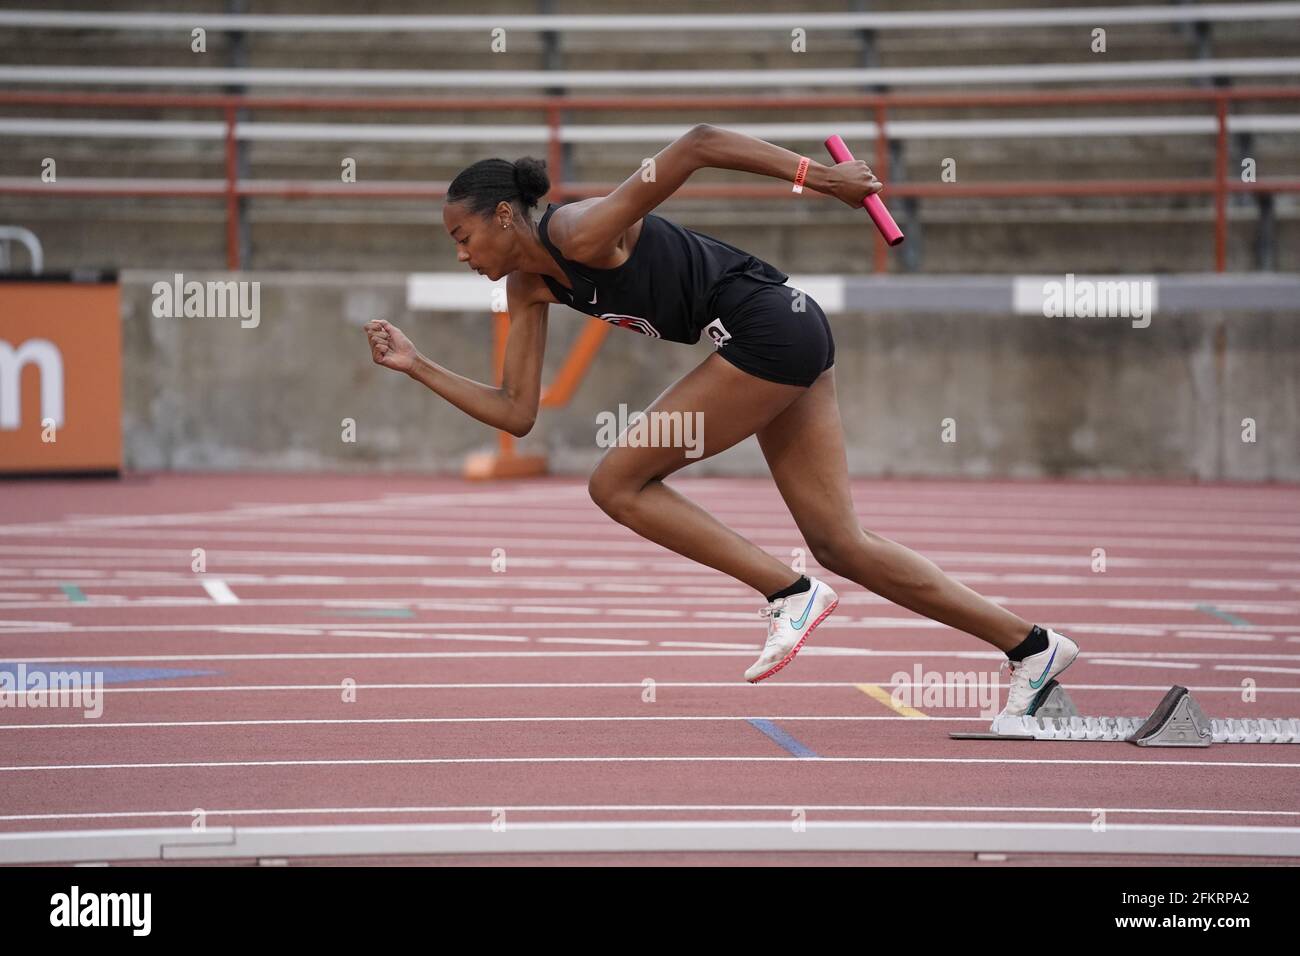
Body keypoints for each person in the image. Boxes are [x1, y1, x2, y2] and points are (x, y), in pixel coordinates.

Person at [364, 124, 1077, 719]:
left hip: (768, 330)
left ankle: (789, 594)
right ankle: (1032, 646)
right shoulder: (528, 286)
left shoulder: (580, 231)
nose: (461, 255)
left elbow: (699, 142)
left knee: (618, 482)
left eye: (462, 236)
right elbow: (515, 413)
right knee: (840, 542)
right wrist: (419, 365)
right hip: (781, 333)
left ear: (502, 216)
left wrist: (819, 180)